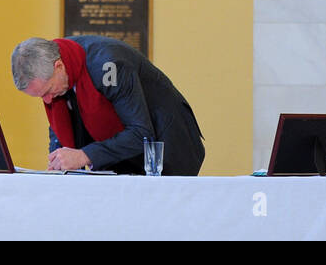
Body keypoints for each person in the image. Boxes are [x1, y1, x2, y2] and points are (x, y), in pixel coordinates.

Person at [11, 35, 205, 175]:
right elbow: (61, 125)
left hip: (167, 150)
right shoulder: (59, 73)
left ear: (59, 66)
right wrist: (58, 163)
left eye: (47, 91)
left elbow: (141, 133)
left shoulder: (108, 65)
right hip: (122, 158)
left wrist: (84, 155)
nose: (47, 101)